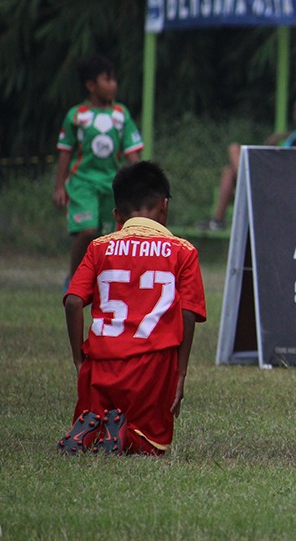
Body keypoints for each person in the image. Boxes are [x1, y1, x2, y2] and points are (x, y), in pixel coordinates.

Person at [57, 161, 207, 456]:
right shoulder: (183, 251)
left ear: (116, 214)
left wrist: (79, 360)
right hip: (153, 366)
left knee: (96, 417)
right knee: (151, 442)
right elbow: (188, 314)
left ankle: (92, 432)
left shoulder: (99, 247)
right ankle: (125, 436)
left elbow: (74, 301)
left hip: (101, 363)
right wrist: (181, 372)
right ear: (164, 206)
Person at [53, 53, 144, 287]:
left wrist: (143, 182)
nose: (113, 84)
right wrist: (59, 186)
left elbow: (132, 153)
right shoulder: (76, 116)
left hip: (111, 186)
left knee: (107, 237)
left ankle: (103, 282)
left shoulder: (121, 115)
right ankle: (73, 280)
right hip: (82, 183)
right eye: (107, 79)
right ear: (91, 85)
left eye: (114, 79)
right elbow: (66, 152)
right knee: (87, 229)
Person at [201, 94, 296, 231]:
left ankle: (250, 185)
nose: (295, 114)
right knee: (229, 172)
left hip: (286, 174)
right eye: (294, 110)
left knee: (234, 148)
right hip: (275, 169)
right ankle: (218, 220)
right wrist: (280, 137)